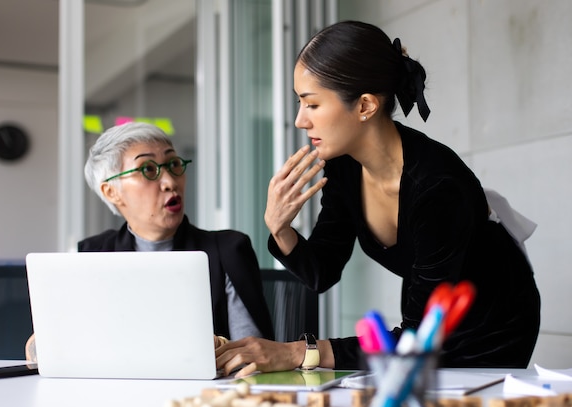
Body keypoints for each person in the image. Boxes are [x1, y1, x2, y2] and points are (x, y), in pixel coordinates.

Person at [215, 20, 540, 377]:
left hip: (490, 331)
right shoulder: (344, 167)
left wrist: (299, 352)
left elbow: (416, 341)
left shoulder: (439, 186)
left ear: (365, 105)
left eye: (312, 104)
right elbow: (322, 271)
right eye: (299, 103)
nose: (299, 121)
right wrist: (280, 229)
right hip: (422, 329)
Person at [26, 122, 274, 361]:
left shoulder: (228, 250)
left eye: (174, 164)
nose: (170, 182)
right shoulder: (93, 254)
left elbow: (252, 357)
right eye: (148, 170)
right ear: (112, 192)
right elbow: (60, 346)